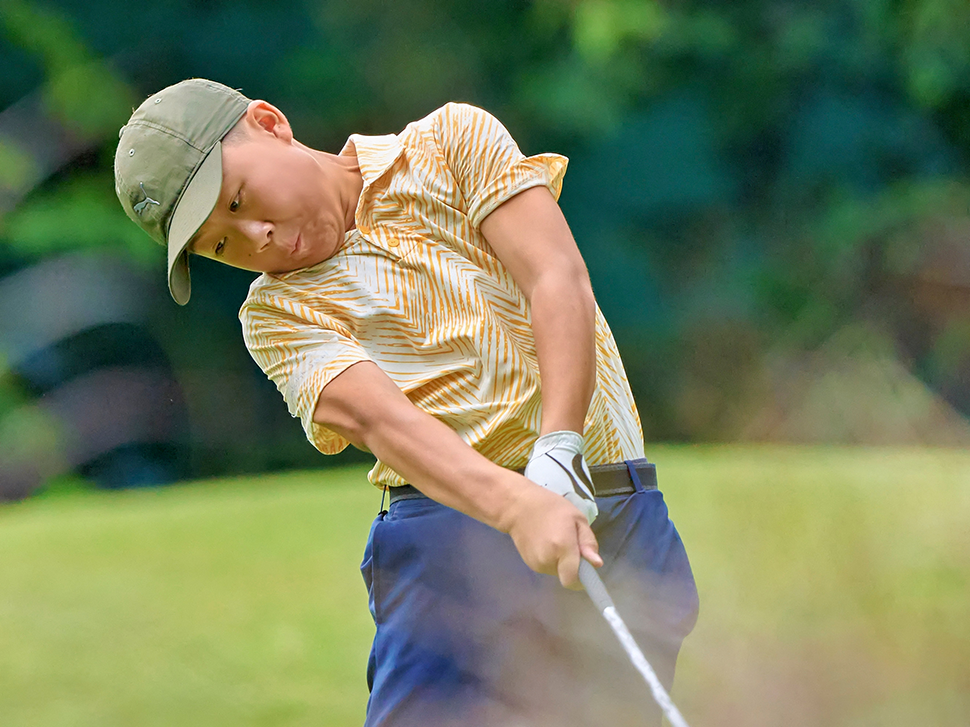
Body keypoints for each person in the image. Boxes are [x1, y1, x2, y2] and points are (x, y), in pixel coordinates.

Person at [114, 78, 698, 726]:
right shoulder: (278, 313)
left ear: (270, 123)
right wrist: (519, 505)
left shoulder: (451, 142)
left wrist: (559, 446)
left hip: (614, 507)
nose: (259, 236)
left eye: (240, 198)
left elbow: (555, 275)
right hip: (451, 548)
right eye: (222, 245)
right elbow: (382, 420)